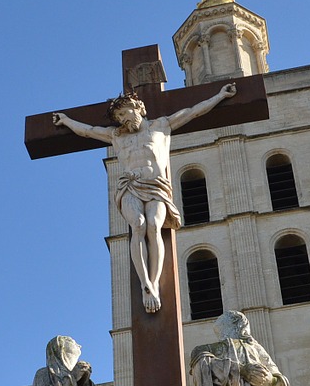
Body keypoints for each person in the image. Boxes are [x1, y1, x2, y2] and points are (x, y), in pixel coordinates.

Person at [53, 83, 236, 313]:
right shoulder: (116, 135)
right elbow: (88, 130)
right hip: (129, 186)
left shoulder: (161, 126)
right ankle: (145, 284)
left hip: (157, 186)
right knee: (138, 225)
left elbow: (193, 111)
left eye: (124, 112)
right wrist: (67, 121)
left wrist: (219, 96)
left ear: (138, 107)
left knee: (153, 226)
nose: (122, 119)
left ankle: (155, 281)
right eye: (118, 116)